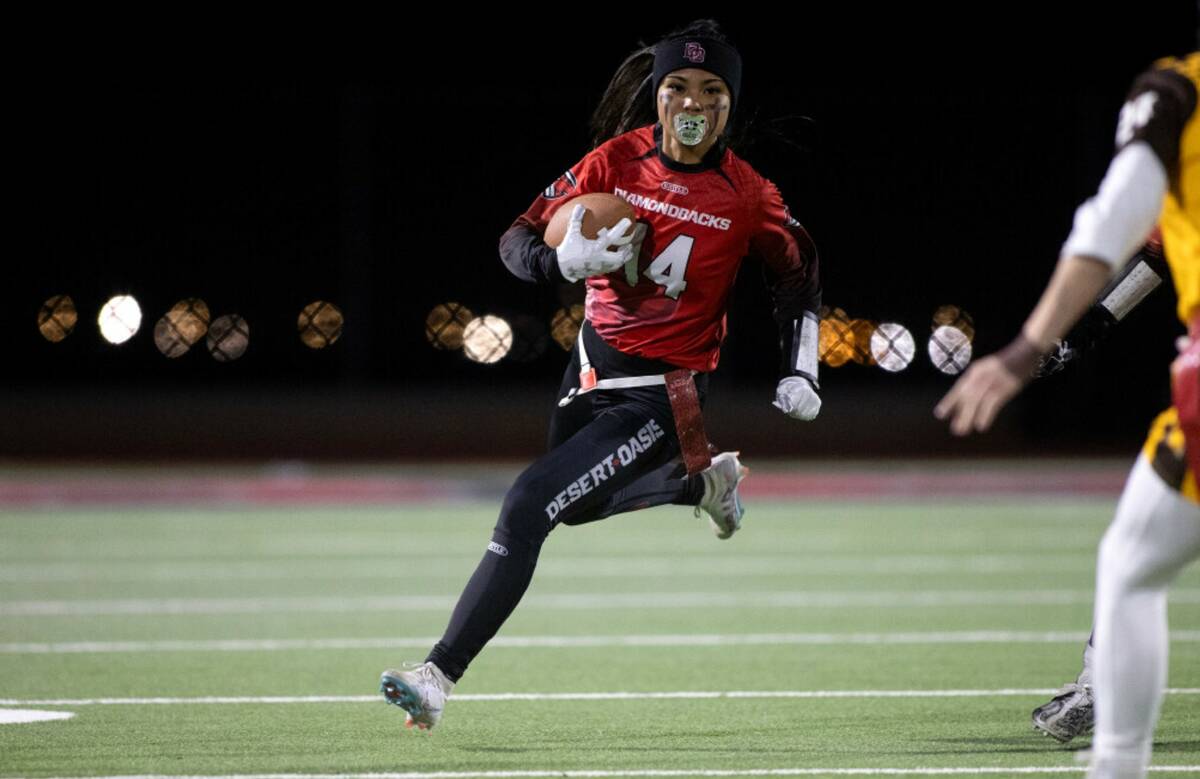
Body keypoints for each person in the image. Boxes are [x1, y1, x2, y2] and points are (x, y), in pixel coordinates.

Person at [379, 19, 823, 731]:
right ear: (657, 93)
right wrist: (561, 264)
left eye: (711, 90)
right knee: (574, 504)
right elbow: (517, 236)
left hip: (662, 394)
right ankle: (702, 483)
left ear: (729, 105)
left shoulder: (748, 195)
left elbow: (798, 273)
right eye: (677, 85)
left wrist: (802, 367)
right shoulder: (613, 162)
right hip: (589, 365)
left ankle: (436, 675)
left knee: (528, 503)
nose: (692, 101)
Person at [936, 52, 1199, 779]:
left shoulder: (1177, 92)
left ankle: (1112, 749)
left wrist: (1031, 344)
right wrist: (1089, 330)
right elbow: (1154, 245)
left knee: (1132, 561)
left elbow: (1115, 221)